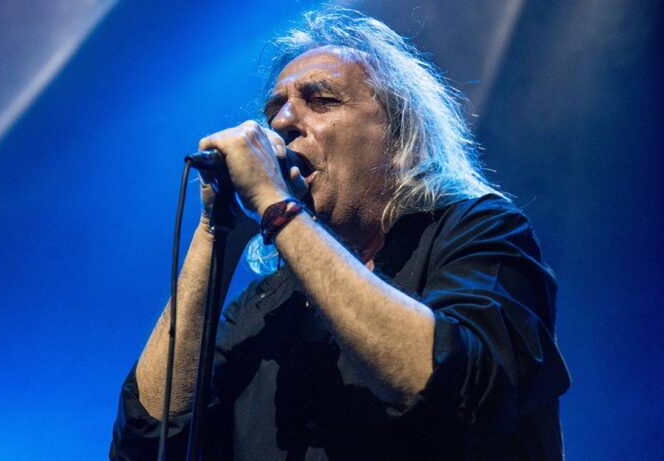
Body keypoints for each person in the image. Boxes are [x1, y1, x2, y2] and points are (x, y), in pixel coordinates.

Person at [110, 7, 570, 461]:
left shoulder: (480, 231)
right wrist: (218, 231)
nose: (282, 123)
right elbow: (148, 442)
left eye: (321, 100)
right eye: (275, 109)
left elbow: (456, 388)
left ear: (402, 140)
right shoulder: (265, 306)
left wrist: (275, 206)